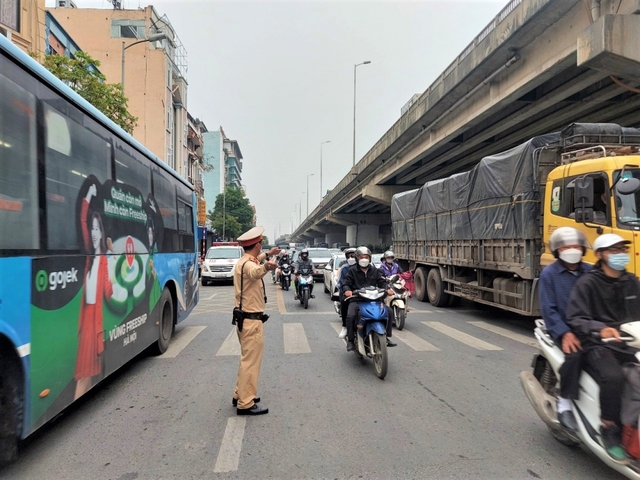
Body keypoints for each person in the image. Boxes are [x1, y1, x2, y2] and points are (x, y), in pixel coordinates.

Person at [566, 233, 640, 464]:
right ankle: (609, 428)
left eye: (622, 250)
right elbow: (576, 317)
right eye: (614, 250)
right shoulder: (588, 283)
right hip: (598, 343)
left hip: (630, 342)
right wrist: (601, 329)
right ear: (600, 255)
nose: (620, 255)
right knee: (613, 376)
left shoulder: (632, 281)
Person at [538, 227, 591, 432]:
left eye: (576, 245)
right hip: (563, 328)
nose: (572, 249)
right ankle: (565, 402)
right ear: (558, 250)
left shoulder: (590, 271)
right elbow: (548, 309)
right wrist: (564, 333)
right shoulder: (549, 274)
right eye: (566, 246)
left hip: (590, 327)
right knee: (575, 356)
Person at [232, 226, 280, 416]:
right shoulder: (250, 266)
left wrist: (268, 254)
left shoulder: (244, 261)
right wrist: (268, 266)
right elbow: (255, 272)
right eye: (261, 245)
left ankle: (240, 394)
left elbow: (255, 262)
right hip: (251, 321)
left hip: (244, 319)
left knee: (246, 360)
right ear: (257, 244)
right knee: (250, 362)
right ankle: (245, 403)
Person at [75, 183, 114, 400]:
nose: (95, 233)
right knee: (84, 375)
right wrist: (88, 196)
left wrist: (113, 255)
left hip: (95, 325)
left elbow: (109, 292)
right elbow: (83, 219)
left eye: (98, 229)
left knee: (84, 376)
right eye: (93, 229)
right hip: (86, 323)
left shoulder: (105, 262)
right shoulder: (90, 257)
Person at [342, 246, 397, 351]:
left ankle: (386, 336)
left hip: (374, 299)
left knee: (389, 311)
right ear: (357, 258)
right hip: (357, 299)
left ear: (370, 258)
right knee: (351, 315)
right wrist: (347, 290)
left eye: (366, 257)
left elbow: (382, 282)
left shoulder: (375, 270)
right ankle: (351, 340)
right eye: (362, 257)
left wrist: (387, 289)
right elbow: (346, 283)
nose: (364, 259)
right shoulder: (352, 270)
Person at [336, 247, 357, 339]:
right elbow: (342, 282)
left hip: (363, 293)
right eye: (349, 255)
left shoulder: (369, 268)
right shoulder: (345, 268)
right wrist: (347, 290)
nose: (351, 257)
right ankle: (345, 326)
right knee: (345, 305)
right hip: (348, 293)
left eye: (353, 255)